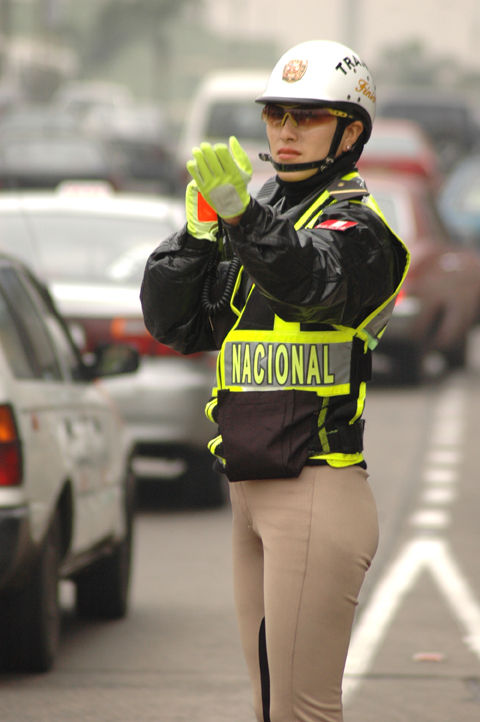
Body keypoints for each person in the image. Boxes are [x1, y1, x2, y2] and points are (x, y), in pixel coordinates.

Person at [141, 39, 410, 722]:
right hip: (250, 491)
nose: (286, 131)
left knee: (302, 712)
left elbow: (312, 285)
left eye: (309, 117)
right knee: (269, 707)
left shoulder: (362, 228)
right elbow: (177, 327)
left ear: (351, 133)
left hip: (317, 486)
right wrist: (197, 238)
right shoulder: (258, 215)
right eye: (276, 114)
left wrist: (242, 217)